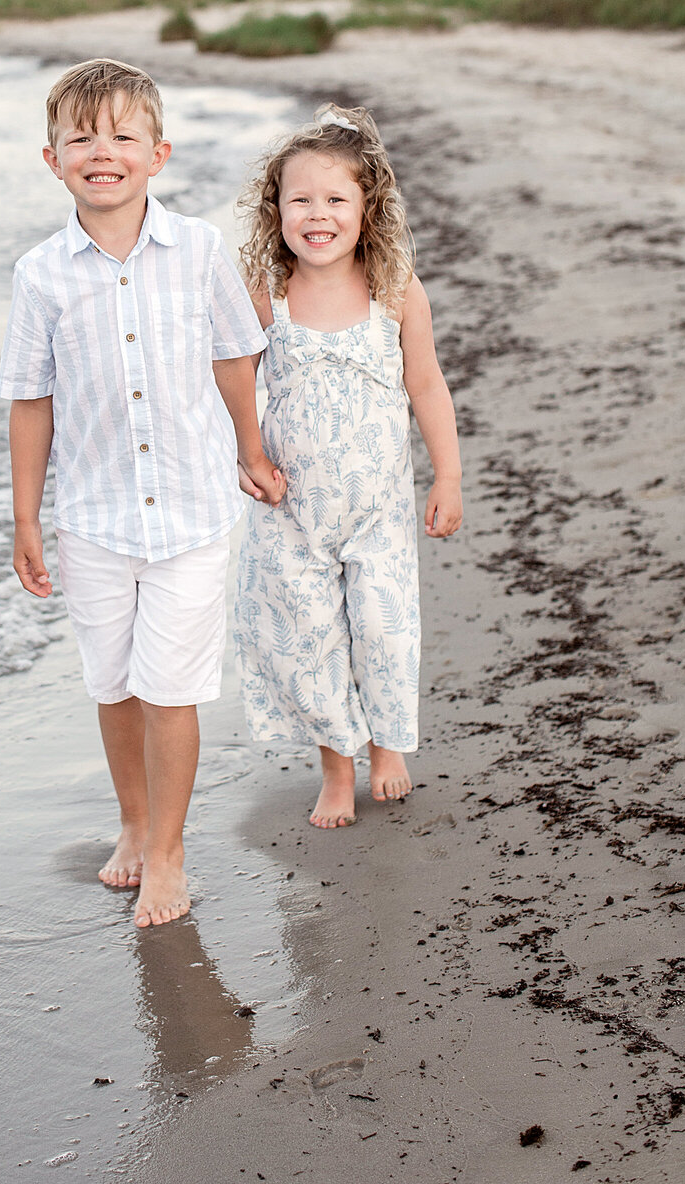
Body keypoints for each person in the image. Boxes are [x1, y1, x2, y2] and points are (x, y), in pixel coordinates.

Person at [0, 57, 284, 927]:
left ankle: (168, 853)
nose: (103, 152)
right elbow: (31, 399)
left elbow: (235, 358)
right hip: (92, 518)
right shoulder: (41, 275)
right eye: (81, 138)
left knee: (172, 687)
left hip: (193, 510)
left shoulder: (197, 250)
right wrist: (26, 517)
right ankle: (132, 822)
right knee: (114, 684)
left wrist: (252, 450)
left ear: (158, 153)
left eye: (123, 136)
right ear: (52, 160)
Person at [233, 104, 462, 830]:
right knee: (309, 636)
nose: (317, 214)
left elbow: (426, 385)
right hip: (290, 508)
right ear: (276, 210)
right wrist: (248, 453)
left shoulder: (394, 291)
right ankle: (338, 762)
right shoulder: (265, 294)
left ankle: (389, 745)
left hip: (378, 510)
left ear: (369, 209)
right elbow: (232, 378)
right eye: (300, 199)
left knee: (383, 630)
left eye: (336, 199)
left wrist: (448, 476)